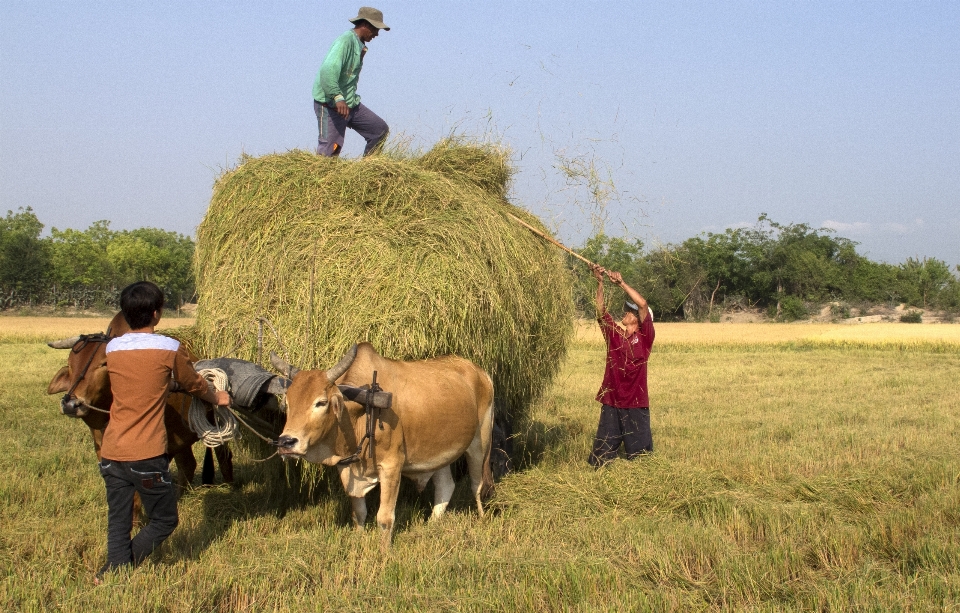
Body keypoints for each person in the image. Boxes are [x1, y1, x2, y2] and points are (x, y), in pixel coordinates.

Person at [95, 281, 230, 584]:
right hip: (147, 453)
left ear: (126, 314)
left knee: (118, 520)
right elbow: (194, 383)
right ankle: (118, 569)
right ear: (157, 314)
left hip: (112, 451)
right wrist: (217, 397)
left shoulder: (112, 349)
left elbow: (141, 379)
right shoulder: (168, 348)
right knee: (165, 519)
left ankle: (112, 573)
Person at [588, 265, 656, 467]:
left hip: (636, 404)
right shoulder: (614, 335)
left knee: (641, 461)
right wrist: (599, 281)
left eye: (629, 310)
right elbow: (600, 310)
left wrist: (621, 283)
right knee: (600, 460)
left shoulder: (645, 338)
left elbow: (643, 304)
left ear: (638, 318)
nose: (625, 312)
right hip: (612, 402)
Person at [313, 7, 390, 157]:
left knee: (379, 130)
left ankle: (369, 171)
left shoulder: (359, 45)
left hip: (350, 103)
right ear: (366, 25)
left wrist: (345, 100)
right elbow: (327, 70)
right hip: (330, 105)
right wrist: (337, 97)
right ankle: (320, 178)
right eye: (376, 29)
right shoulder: (345, 41)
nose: (377, 34)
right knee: (329, 152)